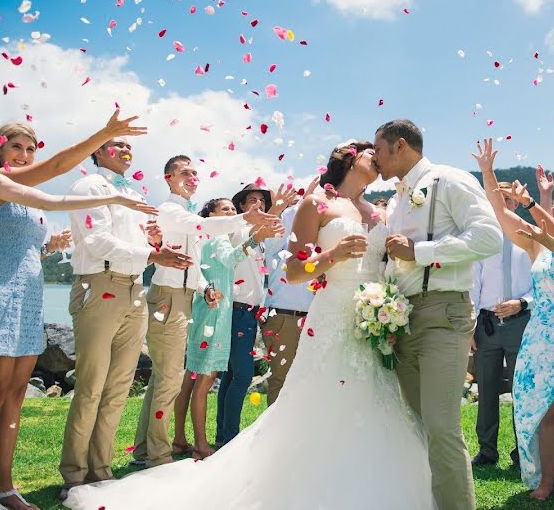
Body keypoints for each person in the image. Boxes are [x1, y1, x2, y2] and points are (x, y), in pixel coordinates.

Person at [64, 140, 435, 509]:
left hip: (372, 320)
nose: (382, 158)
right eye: (374, 153)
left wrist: (390, 304)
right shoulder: (317, 204)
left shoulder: (382, 213)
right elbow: (292, 271)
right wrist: (332, 256)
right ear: (353, 160)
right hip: (332, 315)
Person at [0, 90, 158, 510]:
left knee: (15, 394)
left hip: (29, 296)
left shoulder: (11, 192)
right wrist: (103, 137)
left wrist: (50, 244)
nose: (25, 153)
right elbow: (56, 171)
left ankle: (5, 487)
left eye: (31, 148)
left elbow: (45, 211)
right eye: (16, 146)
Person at [58, 139, 194, 502]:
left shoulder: (134, 195)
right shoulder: (88, 187)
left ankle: (101, 469)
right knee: (90, 384)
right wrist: (152, 251)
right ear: (99, 152)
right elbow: (99, 241)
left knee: (119, 385)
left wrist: (151, 241)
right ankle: (74, 473)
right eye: (116, 144)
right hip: (99, 284)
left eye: (129, 145)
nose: (125, 149)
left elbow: (139, 247)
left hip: (135, 290)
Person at [376, 120, 503, 510]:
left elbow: (489, 237)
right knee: (416, 425)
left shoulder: (448, 179)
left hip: (443, 312)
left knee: (442, 427)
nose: (375, 159)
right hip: (403, 318)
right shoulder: (396, 200)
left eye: (379, 150)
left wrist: (421, 251)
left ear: (399, 146)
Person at [131, 156, 281, 470]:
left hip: (200, 301)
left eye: (195, 173)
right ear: (169, 177)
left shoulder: (199, 226)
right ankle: (173, 450)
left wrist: (203, 288)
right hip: (189, 303)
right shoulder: (180, 215)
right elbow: (218, 249)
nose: (232, 213)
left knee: (176, 378)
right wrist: (252, 226)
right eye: (185, 172)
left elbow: (197, 265)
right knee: (184, 378)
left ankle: (161, 446)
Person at [473, 139, 554, 500]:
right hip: (545, 337)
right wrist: (487, 172)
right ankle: (545, 483)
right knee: (551, 411)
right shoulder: (537, 243)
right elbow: (503, 215)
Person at [171, 198, 282, 460]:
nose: (232, 213)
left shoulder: (204, 240)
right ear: (211, 215)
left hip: (213, 310)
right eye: (226, 210)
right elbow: (232, 260)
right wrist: (257, 239)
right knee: (205, 379)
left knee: (197, 377)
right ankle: (201, 443)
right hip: (216, 314)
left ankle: (184, 439)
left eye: (233, 210)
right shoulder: (218, 239)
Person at [213, 183, 293, 446]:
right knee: (243, 375)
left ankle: (223, 436)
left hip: (249, 312)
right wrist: (277, 207)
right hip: (237, 311)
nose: (258, 204)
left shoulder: (259, 235)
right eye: (252, 200)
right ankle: (229, 438)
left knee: (231, 375)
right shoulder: (239, 229)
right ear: (242, 207)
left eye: (262, 200)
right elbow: (253, 236)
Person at [468, 183, 533, 472]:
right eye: (498, 198)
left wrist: (522, 302)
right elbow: (472, 283)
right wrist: (470, 327)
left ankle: (523, 453)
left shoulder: (530, 237)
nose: (504, 203)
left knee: (521, 390)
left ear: (517, 204)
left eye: (508, 199)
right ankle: (486, 451)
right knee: (487, 388)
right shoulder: (484, 237)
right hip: (487, 325)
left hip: (521, 322)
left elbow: (541, 281)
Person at [259, 178, 319, 406]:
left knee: (307, 381)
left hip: (312, 317)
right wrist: (304, 204)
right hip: (284, 317)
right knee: (281, 380)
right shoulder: (277, 240)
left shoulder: (313, 242)